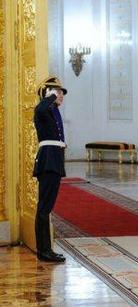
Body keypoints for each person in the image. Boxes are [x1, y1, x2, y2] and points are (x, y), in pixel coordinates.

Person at [33, 77, 68, 263]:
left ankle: (47, 249)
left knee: (47, 207)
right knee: (44, 208)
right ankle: (43, 250)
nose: (61, 95)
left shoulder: (53, 111)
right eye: (58, 91)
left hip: (55, 159)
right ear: (48, 93)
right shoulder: (43, 110)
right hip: (47, 160)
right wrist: (48, 97)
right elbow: (39, 108)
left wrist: (52, 99)